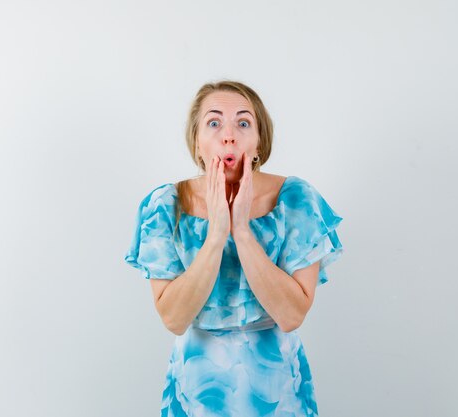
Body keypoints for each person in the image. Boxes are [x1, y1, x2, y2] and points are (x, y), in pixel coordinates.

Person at [124, 80, 344, 417]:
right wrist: (216, 235)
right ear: (197, 144)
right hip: (196, 392)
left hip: (277, 390)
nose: (229, 135)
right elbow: (174, 318)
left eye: (243, 123)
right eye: (214, 123)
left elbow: (292, 315)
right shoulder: (165, 205)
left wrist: (241, 231)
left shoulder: (297, 200)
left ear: (258, 144)